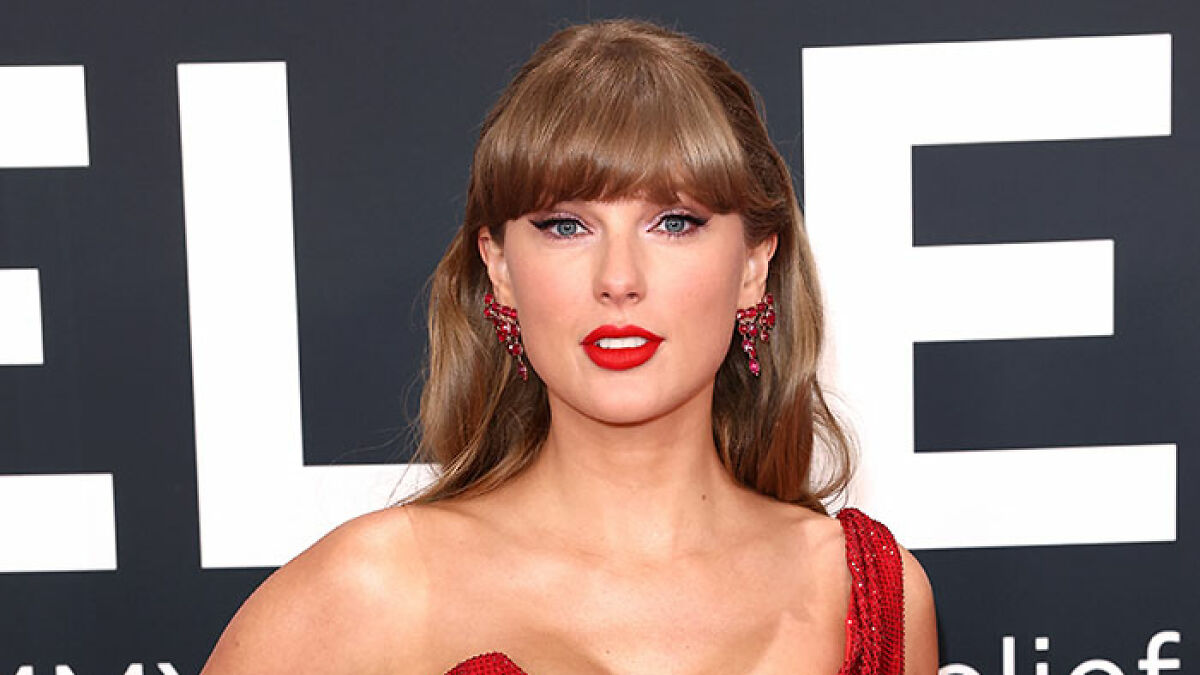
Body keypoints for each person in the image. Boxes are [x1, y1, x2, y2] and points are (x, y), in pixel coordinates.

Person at [199, 18, 937, 675]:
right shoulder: (373, 587)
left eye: (674, 222)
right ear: (499, 266)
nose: (618, 279)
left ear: (753, 265)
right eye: (565, 225)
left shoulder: (866, 594)